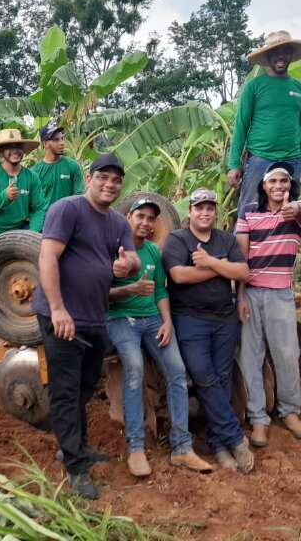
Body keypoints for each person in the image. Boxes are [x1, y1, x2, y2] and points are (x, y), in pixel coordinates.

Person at [33, 153, 141, 500]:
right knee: (65, 390)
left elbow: (132, 258)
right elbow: (47, 256)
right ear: (89, 177)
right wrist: (58, 308)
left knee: (83, 387)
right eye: (103, 177)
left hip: (95, 316)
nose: (110, 184)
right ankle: (76, 467)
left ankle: (72, 446)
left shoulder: (117, 222)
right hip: (62, 316)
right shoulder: (68, 209)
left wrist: (129, 265)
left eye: (116, 180)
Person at [107, 197, 214, 477]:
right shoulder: (113, 250)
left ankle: (181, 448)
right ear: (128, 217)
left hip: (153, 319)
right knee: (135, 368)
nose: (145, 222)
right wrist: (129, 289)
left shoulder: (154, 252)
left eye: (151, 218)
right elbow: (100, 294)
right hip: (121, 320)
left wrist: (167, 322)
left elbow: (160, 292)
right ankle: (137, 448)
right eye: (140, 216)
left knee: (178, 372)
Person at [162, 189, 254, 473]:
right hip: (190, 319)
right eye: (199, 207)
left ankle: (217, 443)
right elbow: (179, 275)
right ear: (189, 212)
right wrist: (224, 268)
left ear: (215, 213)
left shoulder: (225, 239)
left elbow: (244, 273)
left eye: (210, 208)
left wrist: (211, 262)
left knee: (223, 377)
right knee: (203, 375)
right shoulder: (177, 239)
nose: (205, 213)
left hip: (224, 320)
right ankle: (235, 437)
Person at [236, 162, 301, 446]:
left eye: (284, 181)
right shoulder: (248, 213)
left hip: (281, 293)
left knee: (287, 353)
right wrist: (240, 296)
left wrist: (295, 207)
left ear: (290, 186)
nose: (279, 186)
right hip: (252, 292)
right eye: (273, 182)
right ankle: (257, 418)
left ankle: (290, 411)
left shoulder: (297, 213)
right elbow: (242, 259)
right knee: (250, 357)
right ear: (264, 185)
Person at [227, 30, 301, 211]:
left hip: (292, 160)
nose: (280, 57)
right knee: (249, 210)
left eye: (285, 52)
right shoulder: (254, 86)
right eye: (275, 52)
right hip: (259, 158)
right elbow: (241, 126)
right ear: (268, 57)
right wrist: (234, 165)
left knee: (287, 212)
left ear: (291, 55)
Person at [0, 129, 47, 243]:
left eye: (18, 146)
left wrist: (33, 235)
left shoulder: (32, 177)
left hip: (20, 230)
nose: (15, 150)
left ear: (23, 150)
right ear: (1, 151)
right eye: (9, 147)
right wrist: (4, 197)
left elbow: (38, 209)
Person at [31, 122, 84, 206]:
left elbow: (78, 197)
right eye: (56, 140)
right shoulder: (35, 172)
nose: (62, 143)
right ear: (45, 144)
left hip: (68, 216)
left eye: (62, 138)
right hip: (45, 218)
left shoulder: (73, 166)